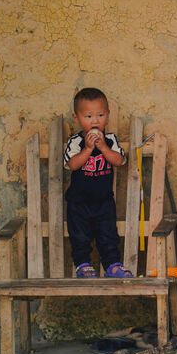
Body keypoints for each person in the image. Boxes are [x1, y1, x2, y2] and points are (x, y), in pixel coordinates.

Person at [62, 87, 131, 278]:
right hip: (79, 202)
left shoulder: (109, 140)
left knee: (108, 234)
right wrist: (88, 148)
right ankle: (83, 265)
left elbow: (118, 161)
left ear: (107, 115)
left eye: (100, 115)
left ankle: (112, 265)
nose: (95, 121)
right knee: (80, 236)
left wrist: (101, 147)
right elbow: (73, 165)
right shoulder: (75, 142)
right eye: (88, 116)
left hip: (104, 201)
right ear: (76, 118)